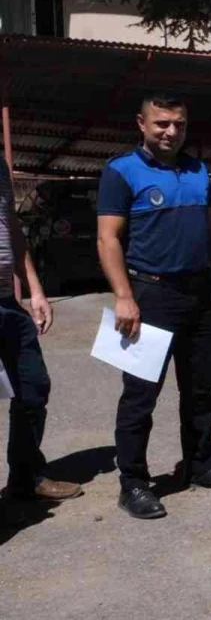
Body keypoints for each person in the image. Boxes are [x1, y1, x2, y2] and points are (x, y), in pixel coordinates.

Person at [97, 95, 211, 520]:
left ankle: (200, 464)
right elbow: (108, 239)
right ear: (141, 123)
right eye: (161, 124)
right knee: (141, 396)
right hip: (150, 294)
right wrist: (124, 296)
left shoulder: (198, 170)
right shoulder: (121, 172)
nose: (170, 132)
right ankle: (134, 483)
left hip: (199, 295)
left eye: (178, 124)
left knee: (202, 391)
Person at [0, 157, 81, 503]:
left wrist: (35, 289)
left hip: (6, 302)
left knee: (33, 388)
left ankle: (24, 478)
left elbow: (12, 227)